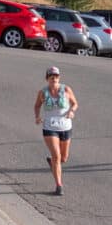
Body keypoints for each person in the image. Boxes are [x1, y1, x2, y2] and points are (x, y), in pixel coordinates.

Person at [33, 64, 77, 194]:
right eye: (51, 77)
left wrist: (72, 111)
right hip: (49, 127)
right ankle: (59, 186)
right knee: (57, 156)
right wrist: (37, 117)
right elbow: (36, 106)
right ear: (47, 78)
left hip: (65, 127)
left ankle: (52, 163)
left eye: (56, 76)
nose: (54, 79)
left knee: (63, 158)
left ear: (59, 77)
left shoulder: (67, 89)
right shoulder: (42, 92)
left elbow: (75, 103)